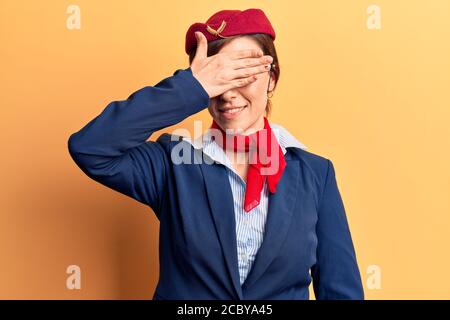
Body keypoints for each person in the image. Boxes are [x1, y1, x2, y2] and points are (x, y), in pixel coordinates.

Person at [68, 8, 364, 300]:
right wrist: (190, 87)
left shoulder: (315, 174)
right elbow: (91, 148)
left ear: (271, 78)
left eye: (242, 74)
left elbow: (341, 291)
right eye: (219, 77)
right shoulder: (174, 163)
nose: (227, 93)